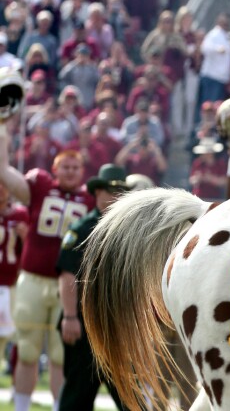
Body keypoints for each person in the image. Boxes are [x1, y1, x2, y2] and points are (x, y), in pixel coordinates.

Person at [0, 119, 94, 411]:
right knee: (26, 349)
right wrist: (3, 127)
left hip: (66, 284)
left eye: (75, 167)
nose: (69, 171)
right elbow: (3, 171)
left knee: (59, 355)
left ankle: (59, 408)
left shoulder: (89, 199)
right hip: (32, 277)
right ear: (54, 169)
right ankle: (21, 408)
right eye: (64, 166)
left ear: (82, 172)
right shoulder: (40, 188)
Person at [56, 164, 131, 411]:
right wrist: (69, 316)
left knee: (132, 398)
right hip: (84, 326)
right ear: (97, 192)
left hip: (117, 329)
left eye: (121, 191)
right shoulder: (81, 231)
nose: (116, 197)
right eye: (111, 191)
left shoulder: (128, 233)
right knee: (78, 395)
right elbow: (67, 275)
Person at [0, 182, 29, 359]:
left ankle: (17, 381)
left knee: (16, 336)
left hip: (11, 285)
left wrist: (26, 237)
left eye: (4, 184)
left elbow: (29, 253)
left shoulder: (20, 214)